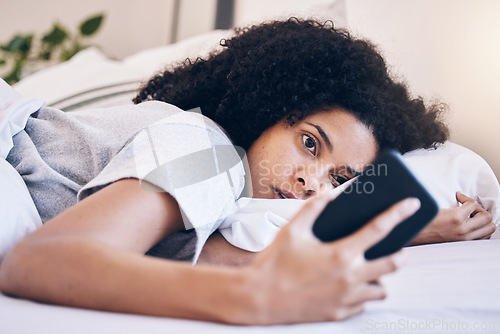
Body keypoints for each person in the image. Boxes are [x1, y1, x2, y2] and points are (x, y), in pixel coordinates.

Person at [0, 18, 494, 325]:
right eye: (308, 143)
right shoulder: (209, 150)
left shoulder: (223, 194)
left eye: (339, 180)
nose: (310, 183)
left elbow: (211, 255)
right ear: (269, 108)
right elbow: (42, 263)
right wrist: (256, 298)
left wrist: (407, 231)